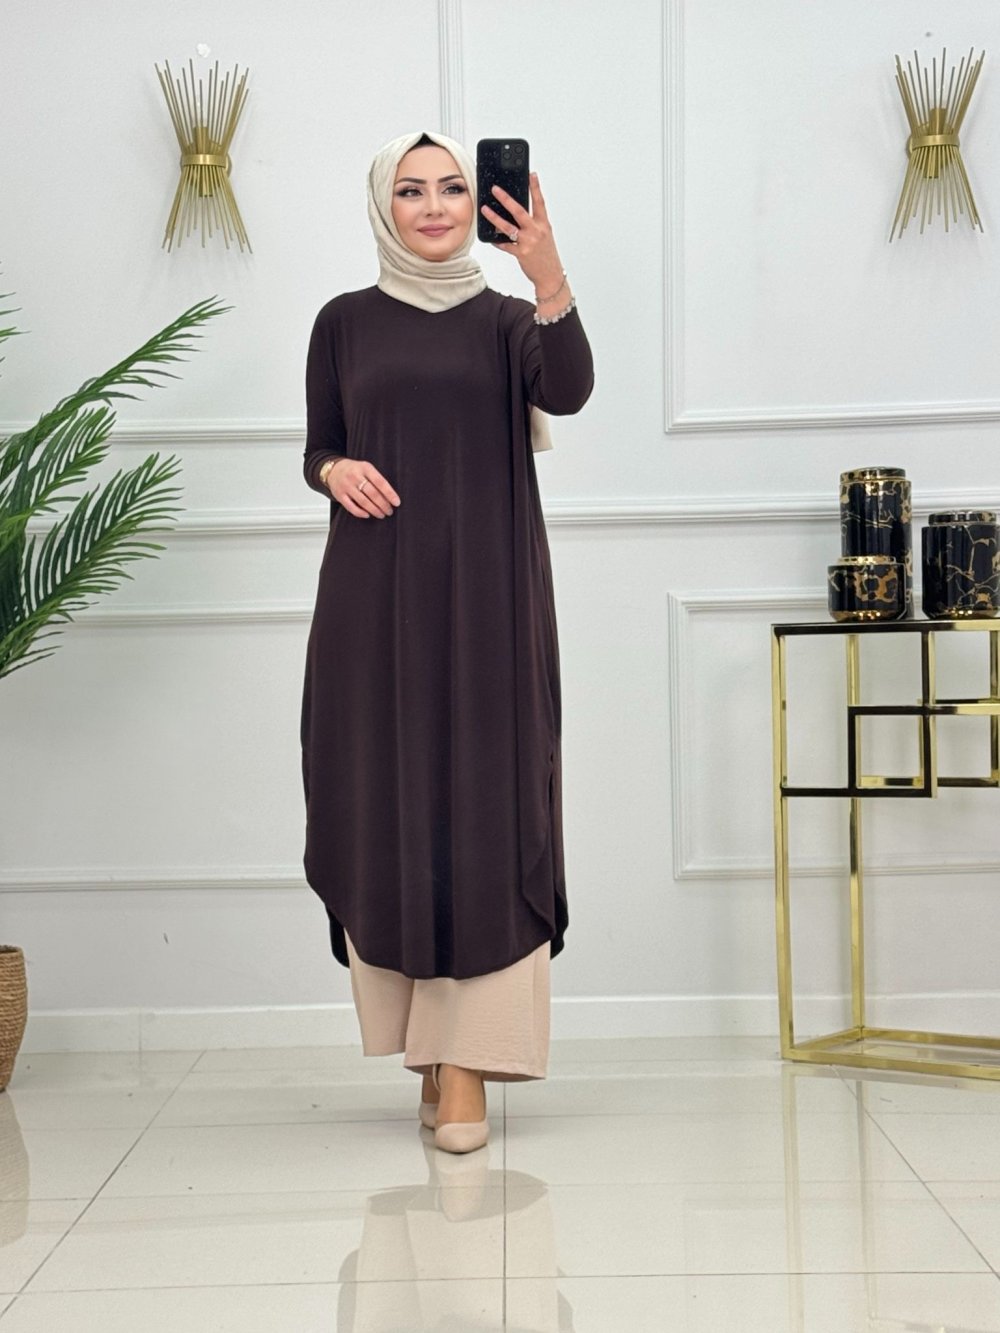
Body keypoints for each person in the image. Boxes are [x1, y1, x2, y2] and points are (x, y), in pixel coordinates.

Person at [301, 131, 593, 1153]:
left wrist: (547, 272)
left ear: (480, 203)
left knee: (490, 804)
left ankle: (467, 1061)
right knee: (387, 798)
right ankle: (426, 1048)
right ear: (383, 205)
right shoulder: (342, 321)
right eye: (411, 189)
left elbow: (568, 389)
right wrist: (333, 471)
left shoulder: (508, 320)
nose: (433, 206)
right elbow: (320, 442)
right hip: (372, 597)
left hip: (491, 595)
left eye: (453, 188)